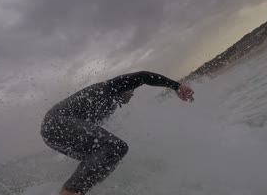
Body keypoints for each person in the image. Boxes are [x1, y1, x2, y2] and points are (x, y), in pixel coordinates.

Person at [40, 71, 195, 195]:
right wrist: (177, 86)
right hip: (57, 122)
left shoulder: (109, 105)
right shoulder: (111, 86)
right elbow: (143, 76)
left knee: (103, 158)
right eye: (131, 89)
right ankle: (69, 192)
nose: (132, 94)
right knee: (114, 147)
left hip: (51, 133)